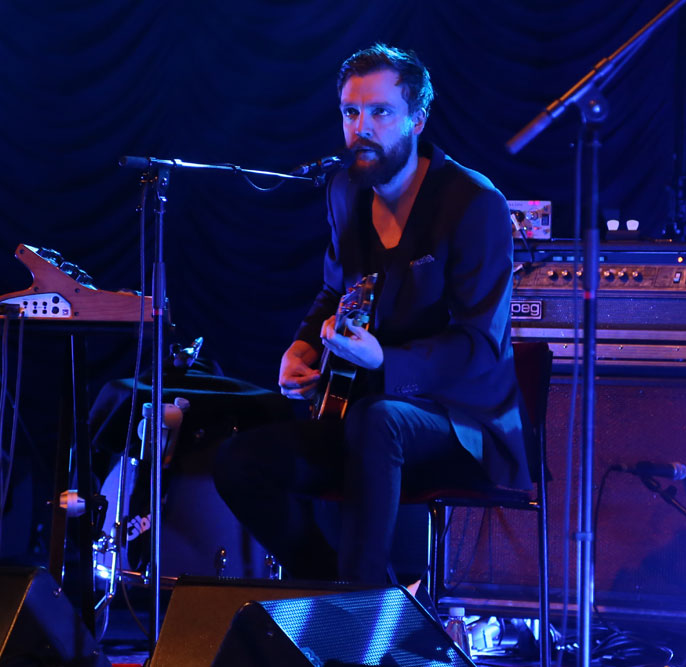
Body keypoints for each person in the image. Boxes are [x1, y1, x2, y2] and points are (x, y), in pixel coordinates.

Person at [213, 44, 529, 585]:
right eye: (350, 112)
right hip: (364, 416)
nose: (362, 127)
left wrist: (386, 360)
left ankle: (359, 606)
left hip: (463, 421)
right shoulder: (344, 189)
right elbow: (333, 289)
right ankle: (340, 590)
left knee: (378, 419)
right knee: (240, 461)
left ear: (416, 120)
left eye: (381, 111)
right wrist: (303, 346)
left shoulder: (474, 204)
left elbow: (480, 345)